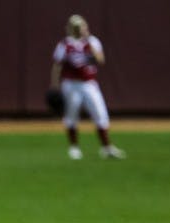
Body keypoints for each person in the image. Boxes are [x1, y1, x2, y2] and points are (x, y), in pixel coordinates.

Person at [51, 14, 126, 160]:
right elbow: (57, 65)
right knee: (71, 116)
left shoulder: (92, 41)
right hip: (71, 84)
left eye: (81, 25)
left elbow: (100, 60)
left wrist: (88, 40)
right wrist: (54, 84)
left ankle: (107, 147)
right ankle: (74, 148)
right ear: (69, 28)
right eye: (76, 26)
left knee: (100, 114)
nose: (79, 29)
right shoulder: (65, 44)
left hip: (89, 83)